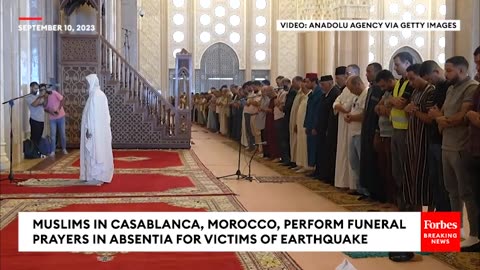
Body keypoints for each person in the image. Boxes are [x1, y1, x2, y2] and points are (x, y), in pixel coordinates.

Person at [429, 56, 479, 248]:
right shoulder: (450, 88)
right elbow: (441, 114)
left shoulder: (471, 87)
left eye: (449, 70)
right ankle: (455, 228)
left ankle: (474, 233)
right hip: (446, 145)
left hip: (460, 146)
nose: (446, 73)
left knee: (466, 192)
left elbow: (460, 118)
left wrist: (440, 119)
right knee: (451, 191)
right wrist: (441, 118)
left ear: (461, 70)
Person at [419, 60, 451, 212]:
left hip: (444, 141)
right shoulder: (437, 87)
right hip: (433, 139)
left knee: (445, 184)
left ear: (437, 72)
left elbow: (448, 113)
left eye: (430, 79)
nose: (429, 83)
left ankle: (446, 219)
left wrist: (436, 114)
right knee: (435, 181)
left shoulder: (450, 87)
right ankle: (438, 216)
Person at [404, 64, 435, 211]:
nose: (411, 83)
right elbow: (409, 111)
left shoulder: (431, 91)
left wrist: (414, 112)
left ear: (421, 75)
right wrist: (408, 110)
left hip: (424, 142)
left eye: (412, 79)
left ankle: (428, 219)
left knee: (426, 181)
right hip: (412, 141)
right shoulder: (415, 91)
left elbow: (430, 119)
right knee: (412, 178)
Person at [80, 74, 114, 185]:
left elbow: (92, 116)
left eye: (87, 84)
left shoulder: (95, 96)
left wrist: (89, 130)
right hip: (99, 131)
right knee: (99, 151)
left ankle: (96, 176)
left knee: (95, 152)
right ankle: (96, 175)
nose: (86, 86)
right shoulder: (99, 95)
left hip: (94, 131)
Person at [359, 62, 384, 201]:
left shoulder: (379, 89)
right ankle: (368, 190)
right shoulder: (371, 89)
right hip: (367, 129)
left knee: (374, 162)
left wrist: (376, 131)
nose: (366, 74)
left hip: (375, 130)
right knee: (367, 161)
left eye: (369, 71)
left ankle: (376, 193)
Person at [313, 75, 341, 183]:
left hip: (329, 128)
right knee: (321, 152)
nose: (322, 87)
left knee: (328, 153)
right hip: (322, 128)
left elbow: (331, 114)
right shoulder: (325, 94)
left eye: (323, 85)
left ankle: (328, 176)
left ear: (330, 83)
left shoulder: (335, 93)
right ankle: (321, 173)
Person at [345, 76, 368, 198]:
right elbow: (352, 111)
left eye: (351, 88)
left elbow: (365, 114)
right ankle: (359, 188)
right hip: (353, 132)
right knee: (354, 162)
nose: (350, 91)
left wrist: (352, 117)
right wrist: (350, 116)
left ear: (358, 84)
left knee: (361, 163)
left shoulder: (366, 94)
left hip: (360, 133)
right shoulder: (356, 96)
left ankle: (365, 190)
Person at [43, 83, 68, 157]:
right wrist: (50, 111)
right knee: (53, 135)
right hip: (52, 118)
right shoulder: (44, 98)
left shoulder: (54, 93)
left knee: (62, 134)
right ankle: (52, 151)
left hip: (61, 116)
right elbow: (45, 108)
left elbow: (62, 99)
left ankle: (64, 148)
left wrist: (58, 109)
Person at [25, 82, 46, 146]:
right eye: (35, 88)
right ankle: (33, 152)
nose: (37, 90)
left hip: (41, 120)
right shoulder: (28, 97)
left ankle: (38, 152)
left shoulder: (38, 96)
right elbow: (34, 104)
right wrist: (40, 97)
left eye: (37, 89)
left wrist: (44, 96)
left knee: (39, 137)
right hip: (34, 120)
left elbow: (44, 104)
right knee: (34, 138)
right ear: (31, 88)